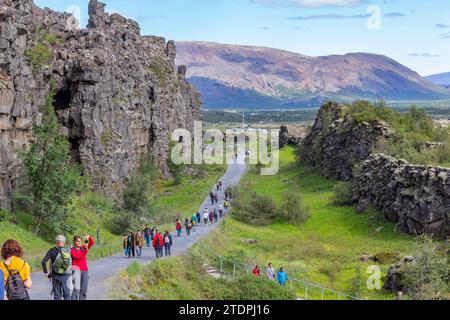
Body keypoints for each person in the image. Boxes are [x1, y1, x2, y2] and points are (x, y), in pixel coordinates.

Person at [42, 235, 72, 300]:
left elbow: (43, 262)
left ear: (56, 242)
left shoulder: (52, 250)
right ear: (63, 242)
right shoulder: (67, 251)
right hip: (65, 276)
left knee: (57, 295)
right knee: (67, 294)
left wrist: (46, 273)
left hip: (55, 276)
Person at [70, 235, 94, 300]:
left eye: (80, 241)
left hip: (85, 271)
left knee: (83, 290)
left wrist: (88, 237)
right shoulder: (72, 250)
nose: (79, 242)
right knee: (76, 290)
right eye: (77, 241)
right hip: (76, 271)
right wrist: (86, 250)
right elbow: (79, 257)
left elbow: (92, 242)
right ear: (74, 242)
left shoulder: (83, 247)